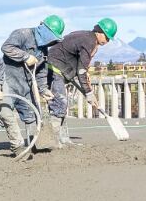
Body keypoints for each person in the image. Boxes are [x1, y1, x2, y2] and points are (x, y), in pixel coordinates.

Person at [45, 18, 117, 146]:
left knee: (61, 104)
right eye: (107, 37)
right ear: (100, 32)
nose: (108, 41)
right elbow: (81, 71)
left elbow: (82, 66)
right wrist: (89, 93)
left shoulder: (87, 37)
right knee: (60, 104)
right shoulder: (89, 41)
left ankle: (64, 139)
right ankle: (49, 141)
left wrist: (86, 82)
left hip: (60, 68)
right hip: (54, 68)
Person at [1, 15, 64, 146]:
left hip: (26, 85)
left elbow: (41, 71)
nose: (52, 42)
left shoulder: (43, 49)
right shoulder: (22, 34)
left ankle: (34, 145)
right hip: (8, 81)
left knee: (30, 115)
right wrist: (25, 56)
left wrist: (43, 89)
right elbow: (6, 47)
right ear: (45, 30)